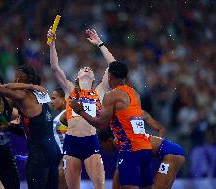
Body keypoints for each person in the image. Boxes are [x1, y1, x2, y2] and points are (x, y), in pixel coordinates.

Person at [0, 64, 62, 189]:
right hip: (53, 149)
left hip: (39, 152)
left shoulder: (23, 95)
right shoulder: (42, 93)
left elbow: (3, 88)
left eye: (15, 79)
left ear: (19, 81)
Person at [48, 28, 114, 189]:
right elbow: (55, 67)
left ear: (93, 78)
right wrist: (52, 42)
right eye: (83, 69)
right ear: (77, 77)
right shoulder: (70, 90)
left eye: (90, 70)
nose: (86, 69)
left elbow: (114, 66)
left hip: (91, 142)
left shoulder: (98, 91)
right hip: (71, 143)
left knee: (100, 186)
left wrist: (100, 43)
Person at [70, 61, 153, 189]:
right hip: (145, 148)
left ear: (110, 76)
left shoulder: (111, 95)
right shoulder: (135, 93)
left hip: (130, 149)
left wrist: (81, 111)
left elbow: (102, 125)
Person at [111, 113, 185, 189]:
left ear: (108, 141)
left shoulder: (120, 141)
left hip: (172, 153)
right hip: (168, 151)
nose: (105, 151)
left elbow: (118, 176)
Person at [51, 88, 68, 189]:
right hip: (60, 156)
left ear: (63, 99)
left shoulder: (67, 114)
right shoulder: (61, 114)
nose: (51, 102)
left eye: (53, 98)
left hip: (65, 157)